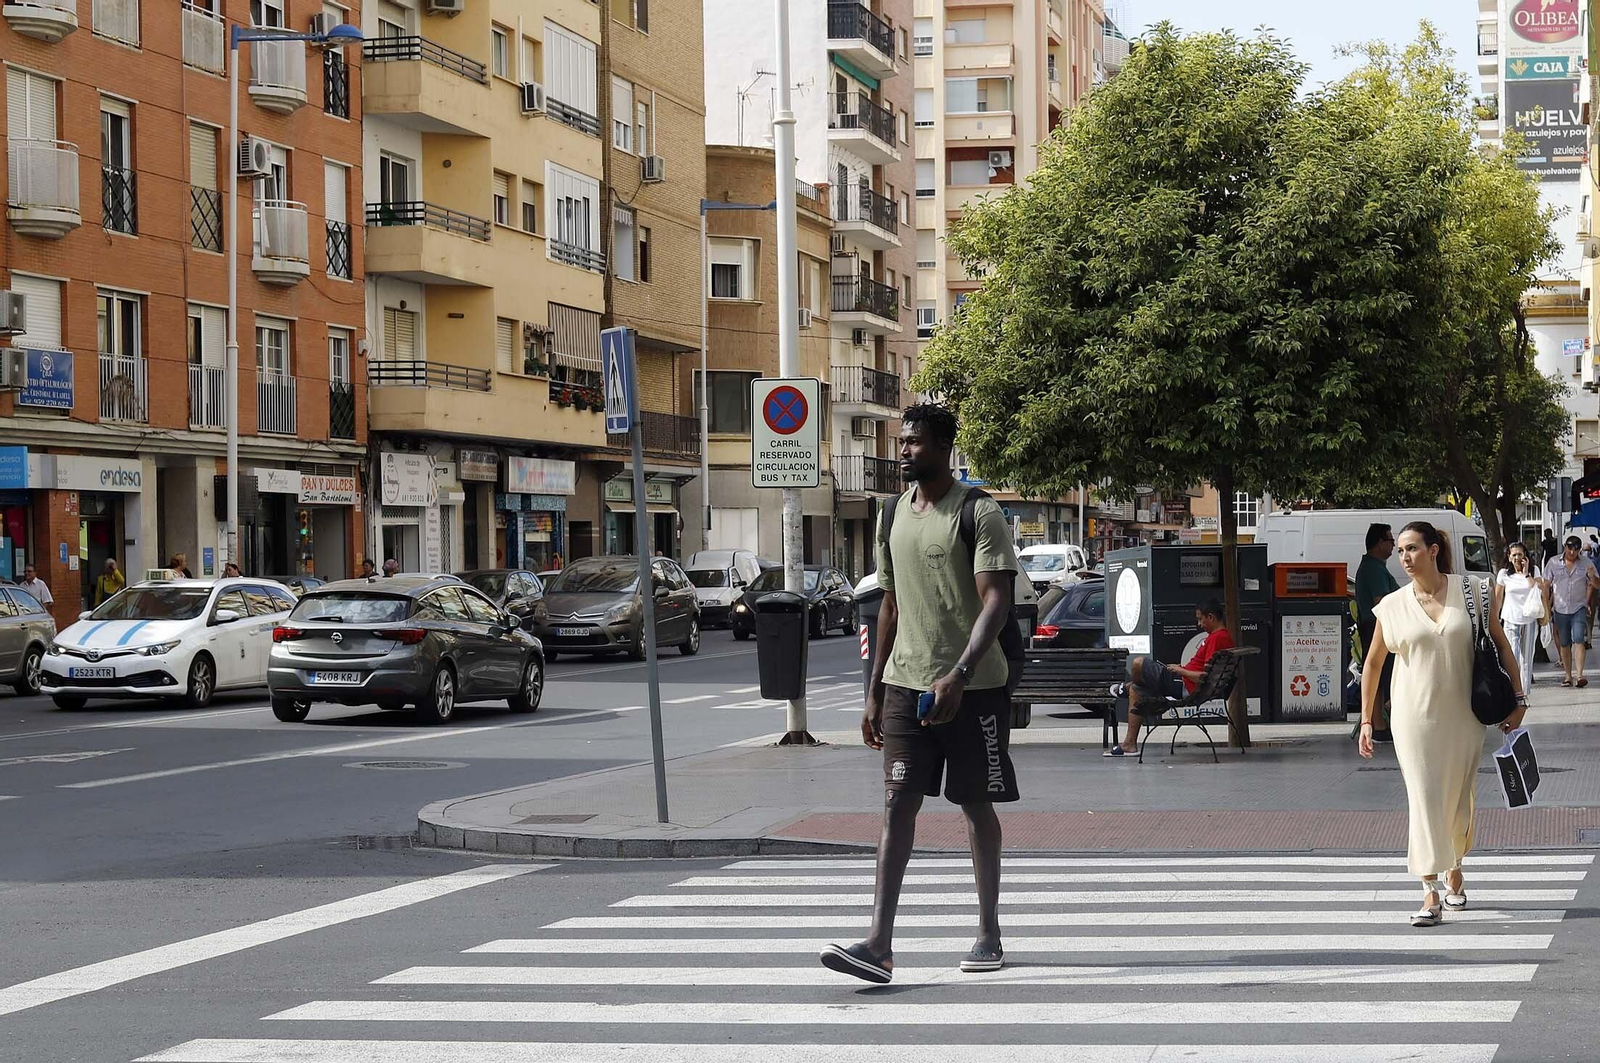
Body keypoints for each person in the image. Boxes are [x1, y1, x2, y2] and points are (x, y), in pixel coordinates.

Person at [821, 403, 1021, 984]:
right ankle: (879, 944)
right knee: (897, 805)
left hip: (973, 688)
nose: (904, 450)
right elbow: (889, 603)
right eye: (902, 441)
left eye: (914, 442)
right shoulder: (891, 514)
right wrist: (873, 690)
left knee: (974, 804)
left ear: (942, 447)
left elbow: (995, 601)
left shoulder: (979, 513)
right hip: (906, 686)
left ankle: (988, 932)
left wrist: (959, 672)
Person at [1359, 522, 1526, 927]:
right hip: (1412, 718)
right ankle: (1429, 890)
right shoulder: (1393, 605)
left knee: (1457, 798)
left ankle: (1454, 866)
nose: (1405, 558)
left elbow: (1501, 643)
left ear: (1434, 550)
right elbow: (1374, 662)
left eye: (1412, 549)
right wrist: (1367, 718)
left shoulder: (1474, 593)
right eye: (1400, 551)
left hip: (1464, 717)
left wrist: (1519, 699)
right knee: (1424, 798)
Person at [1105, 598, 1234, 757]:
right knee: (1137, 690)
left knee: (1138, 663)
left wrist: (1181, 671)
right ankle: (1129, 744)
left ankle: (1126, 688)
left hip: (1184, 685)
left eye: (1201, 619)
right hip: (1186, 683)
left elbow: (1203, 677)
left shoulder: (1217, 638)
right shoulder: (1223, 636)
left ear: (1211, 617)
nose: (1199, 624)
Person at [1355, 524, 1400, 741]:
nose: (1393, 545)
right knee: (1381, 675)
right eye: (1390, 540)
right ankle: (1378, 724)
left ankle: (1379, 723)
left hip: (1374, 626)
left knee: (1381, 677)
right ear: (1379, 543)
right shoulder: (1373, 569)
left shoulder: (1375, 566)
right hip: (1377, 627)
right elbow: (1381, 602)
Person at [1541, 535, 1600, 687]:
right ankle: (1568, 676)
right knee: (1565, 642)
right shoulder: (1554, 562)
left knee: (1579, 638)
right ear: (1565, 547)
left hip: (1578, 607)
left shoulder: (1587, 563)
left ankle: (1580, 675)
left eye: (1576, 549)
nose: (1572, 553)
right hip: (1560, 608)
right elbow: (1546, 584)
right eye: (1570, 549)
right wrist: (1546, 605)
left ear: (1580, 549)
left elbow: (1596, 585)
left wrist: (1592, 577)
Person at [1497, 543, 1541, 696]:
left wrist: (1527, 572)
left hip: (1529, 620)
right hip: (1510, 619)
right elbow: (1498, 598)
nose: (1517, 558)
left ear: (1525, 556)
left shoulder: (1534, 571)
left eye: (1520, 554)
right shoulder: (1504, 574)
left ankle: (1524, 693)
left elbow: (1539, 588)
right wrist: (1494, 620)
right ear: (1509, 557)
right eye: (1514, 555)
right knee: (1512, 657)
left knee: (1527, 659)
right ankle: (1512, 691)